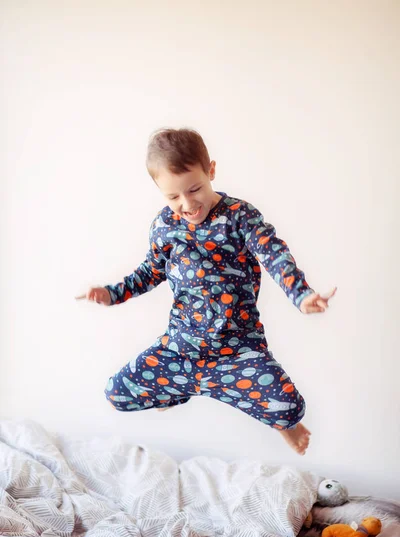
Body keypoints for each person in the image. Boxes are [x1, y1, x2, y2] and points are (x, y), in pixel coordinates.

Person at [79, 128, 336, 455]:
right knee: (117, 393)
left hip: (238, 350)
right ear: (159, 191)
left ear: (210, 170)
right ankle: (179, 389)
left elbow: (273, 253)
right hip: (182, 348)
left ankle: (276, 421)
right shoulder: (165, 226)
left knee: (288, 408)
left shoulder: (239, 216)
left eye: (194, 189)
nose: (186, 204)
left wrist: (301, 294)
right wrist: (112, 293)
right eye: (173, 197)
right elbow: (150, 272)